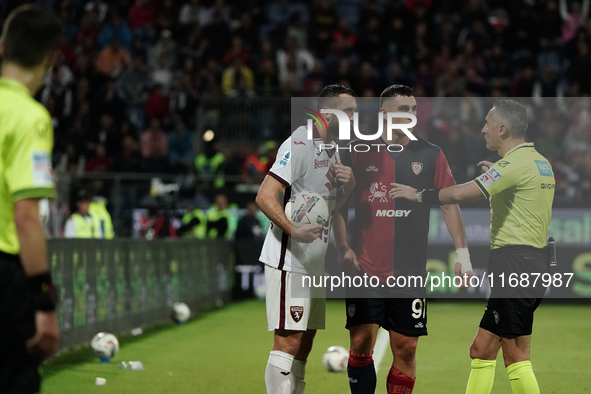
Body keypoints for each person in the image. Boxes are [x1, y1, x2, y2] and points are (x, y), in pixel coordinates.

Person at [390, 99, 554, 394]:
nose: (482, 129)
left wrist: (420, 195)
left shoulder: (513, 165)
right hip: (529, 262)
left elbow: (464, 193)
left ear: (502, 129)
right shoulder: (538, 162)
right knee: (481, 349)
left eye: (488, 125)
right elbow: (520, 191)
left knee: (516, 355)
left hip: (516, 265)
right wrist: (499, 173)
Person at [332, 85, 472, 394]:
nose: (410, 115)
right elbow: (337, 205)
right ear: (384, 114)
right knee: (360, 342)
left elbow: (449, 203)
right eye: (402, 110)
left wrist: (462, 254)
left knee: (406, 348)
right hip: (365, 268)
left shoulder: (430, 153)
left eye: (413, 110)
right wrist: (342, 247)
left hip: (409, 271)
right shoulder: (357, 151)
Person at [257, 84, 356, 394]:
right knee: (288, 339)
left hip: (314, 262)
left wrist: (349, 186)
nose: (354, 118)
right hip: (290, 260)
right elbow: (265, 195)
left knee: (306, 339)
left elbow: (330, 207)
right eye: (349, 111)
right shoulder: (299, 143)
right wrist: (293, 229)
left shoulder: (332, 147)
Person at [0, 5, 62, 393]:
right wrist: (44, 302)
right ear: (51, 58)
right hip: (6, 275)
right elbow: (25, 215)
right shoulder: (31, 118)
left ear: (3, 46)